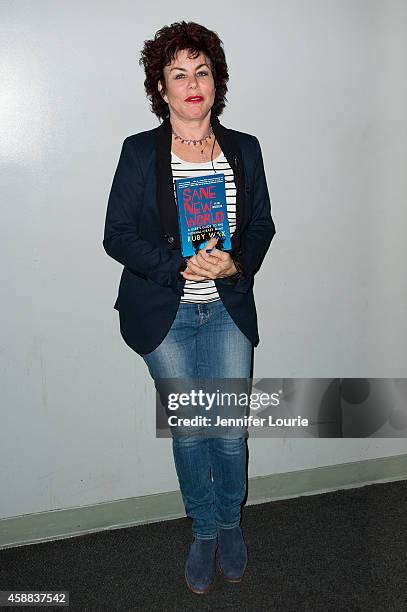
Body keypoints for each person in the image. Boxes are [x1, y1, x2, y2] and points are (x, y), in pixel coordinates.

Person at [103, 20, 276, 595]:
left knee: (228, 432)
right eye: (178, 73)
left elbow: (260, 226)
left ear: (215, 80)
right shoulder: (138, 153)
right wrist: (176, 262)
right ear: (161, 87)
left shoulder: (244, 149)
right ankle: (204, 528)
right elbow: (117, 235)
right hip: (166, 316)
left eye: (201, 71)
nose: (192, 83)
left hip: (227, 310)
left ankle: (231, 524)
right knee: (190, 431)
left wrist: (235, 263)